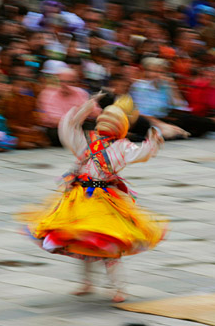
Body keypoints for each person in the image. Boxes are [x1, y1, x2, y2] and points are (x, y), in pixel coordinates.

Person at [17, 93, 168, 303]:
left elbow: (139, 153)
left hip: (103, 200)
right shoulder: (89, 140)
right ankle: (88, 283)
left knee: (107, 244)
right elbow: (68, 129)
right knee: (81, 241)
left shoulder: (121, 146)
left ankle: (118, 288)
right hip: (80, 198)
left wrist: (152, 142)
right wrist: (86, 107)